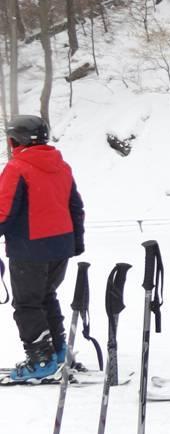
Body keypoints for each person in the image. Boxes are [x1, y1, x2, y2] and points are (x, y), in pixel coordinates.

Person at [0, 115, 85, 382]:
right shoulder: (62, 166)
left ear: (17, 140)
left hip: (30, 248)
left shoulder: (18, 168)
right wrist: (76, 243)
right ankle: (58, 352)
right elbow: (75, 207)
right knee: (46, 296)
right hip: (60, 245)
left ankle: (41, 360)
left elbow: (3, 212)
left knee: (27, 304)